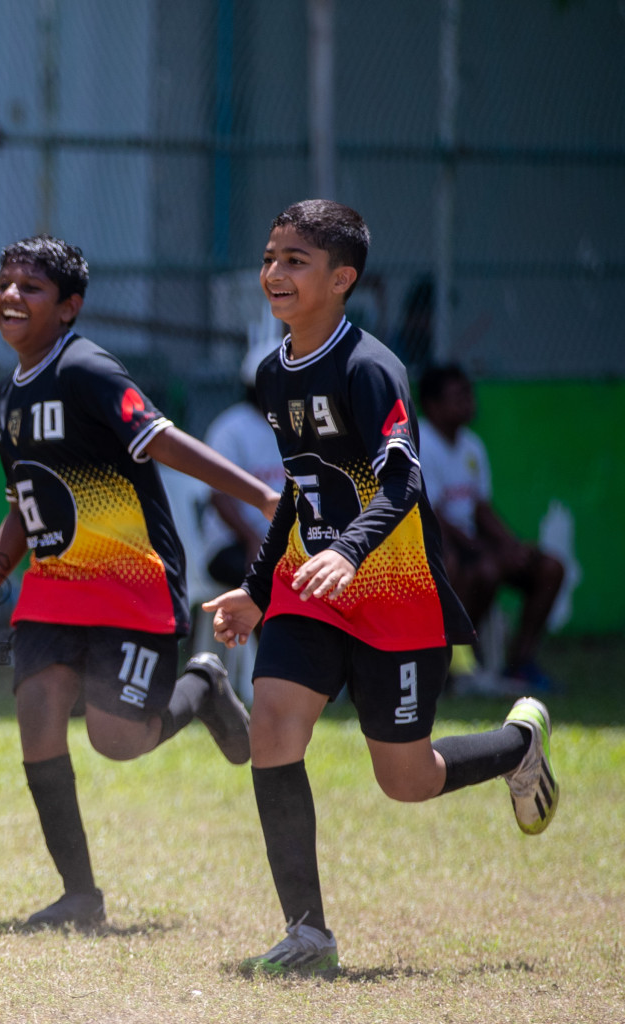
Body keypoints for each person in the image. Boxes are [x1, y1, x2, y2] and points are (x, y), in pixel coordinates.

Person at [204, 200, 559, 977]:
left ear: (343, 279)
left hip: (393, 592)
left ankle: (517, 745)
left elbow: (402, 482)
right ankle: (307, 935)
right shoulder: (273, 374)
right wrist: (262, 590)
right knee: (272, 728)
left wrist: (354, 552)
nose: (275, 273)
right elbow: (300, 492)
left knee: (407, 779)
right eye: (270, 257)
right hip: (309, 584)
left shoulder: (372, 368)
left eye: (296, 260)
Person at [0, 236, 280, 929]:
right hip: (53, 590)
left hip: (130, 584)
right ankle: (81, 896)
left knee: (117, 738)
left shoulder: (87, 370)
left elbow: (164, 439)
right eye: (5, 282)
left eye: (33, 288)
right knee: (37, 719)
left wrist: (259, 495)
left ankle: (202, 687)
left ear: (69, 306)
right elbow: (25, 504)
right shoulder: (5, 397)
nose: (12, 296)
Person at [418, 364, 564, 690]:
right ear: (431, 405)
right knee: (485, 569)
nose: (468, 403)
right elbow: (434, 516)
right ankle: (452, 668)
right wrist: (487, 550)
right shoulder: (421, 443)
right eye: (457, 397)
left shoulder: (472, 445)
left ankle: (520, 663)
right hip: (442, 545)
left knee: (550, 568)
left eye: (468, 395)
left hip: (474, 544)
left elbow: (481, 507)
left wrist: (511, 546)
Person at [202, 343, 288, 590]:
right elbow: (219, 497)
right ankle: (267, 630)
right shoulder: (230, 428)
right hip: (233, 543)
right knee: (270, 580)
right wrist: (252, 539)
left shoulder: (297, 426)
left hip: (285, 543)